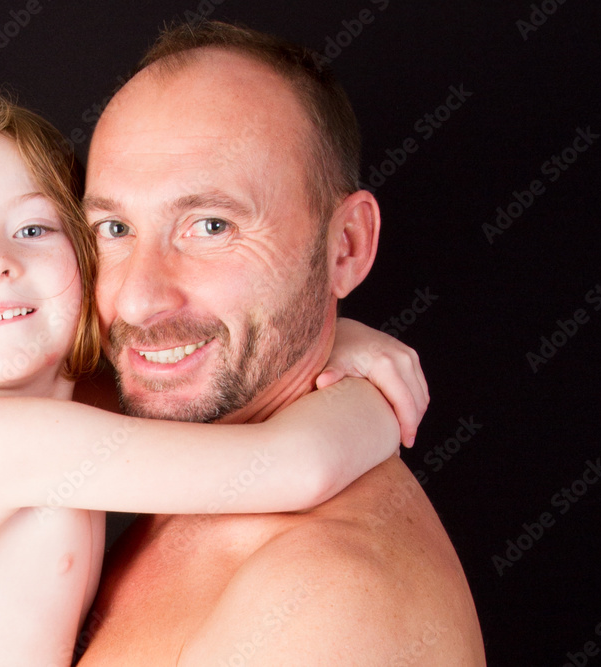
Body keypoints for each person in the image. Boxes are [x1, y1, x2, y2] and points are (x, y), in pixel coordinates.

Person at [0, 82, 428, 666]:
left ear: (86, 257)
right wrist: (376, 397)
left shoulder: (64, 405)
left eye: (33, 229)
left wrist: (336, 333)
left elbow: (208, 359)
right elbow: (294, 467)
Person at [76, 21, 487, 665]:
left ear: (345, 246)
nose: (138, 299)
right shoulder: (177, 472)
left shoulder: (326, 604)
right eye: (115, 227)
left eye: (210, 225)